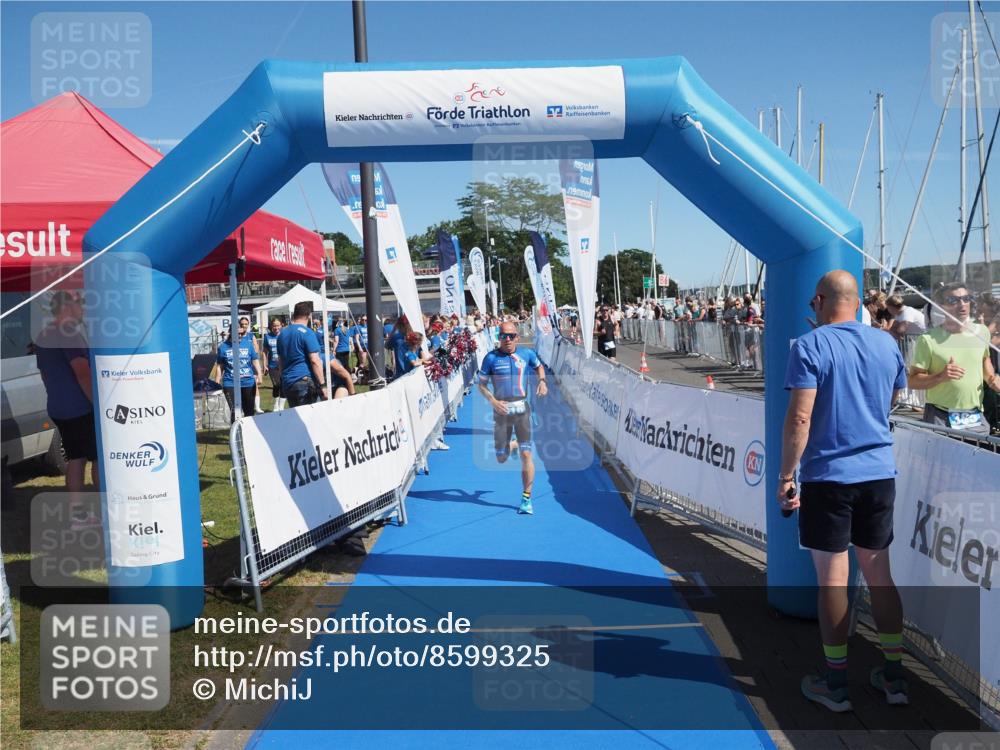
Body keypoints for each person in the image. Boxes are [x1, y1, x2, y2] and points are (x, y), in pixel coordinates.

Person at [778, 270, 908, 713]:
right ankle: (894, 678)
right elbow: (892, 400)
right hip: (878, 474)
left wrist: (785, 477)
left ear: (818, 301)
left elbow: (800, 419)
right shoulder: (887, 344)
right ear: (857, 303)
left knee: (832, 580)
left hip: (830, 478)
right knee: (879, 575)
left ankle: (836, 685)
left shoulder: (809, 345)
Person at [34, 291, 101, 530]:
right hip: (80, 407)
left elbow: (44, 374)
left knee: (76, 458)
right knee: (97, 459)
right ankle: (105, 511)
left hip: (59, 407)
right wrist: (98, 405)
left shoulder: (43, 335)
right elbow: (82, 372)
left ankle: (78, 515)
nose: (83, 308)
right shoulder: (68, 333)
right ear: (67, 307)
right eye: (79, 303)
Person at [908, 283, 1000, 435]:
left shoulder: (982, 332)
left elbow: (984, 360)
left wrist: (992, 378)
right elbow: (913, 381)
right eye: (953, 300)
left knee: (978, 458)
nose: (962, 304)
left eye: (966, 299)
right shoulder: (928, 339)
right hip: (940, 416)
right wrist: (941, 376)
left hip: (975, 415)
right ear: (942, 306)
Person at [478, 321, 548, 515]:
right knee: (501, 457)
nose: (507, 339)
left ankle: (526, 499)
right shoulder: (490, 358)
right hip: (501, 410)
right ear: (498, 337)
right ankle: (513, 445)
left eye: (510, 336)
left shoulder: (526, 354)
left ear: (517, 337)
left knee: (527, 455)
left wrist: (542, 381)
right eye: (503, 336)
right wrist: (492, 401)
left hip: (522, 409)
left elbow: (539, 367)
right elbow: (481, 385)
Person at [276, 301, 328, 407]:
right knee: (308, 419)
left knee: (296, 418)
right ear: (308, 316)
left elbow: (280, 361)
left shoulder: (282, 334)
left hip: (288, 382)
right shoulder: (307, 333)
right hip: (304, 381)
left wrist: (283, 379)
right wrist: (323, 385)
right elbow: (315, 360)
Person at [215, 317, 261, 421]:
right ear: (231, 332)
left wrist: (259, 375)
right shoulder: (223, 347)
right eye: (237, 333)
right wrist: (217, 380)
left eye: (241, 333)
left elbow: (255, 360)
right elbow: (220, 366)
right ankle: (235, 435)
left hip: (248, 382)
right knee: (235, 411)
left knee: (249, 411)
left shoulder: (248, 344)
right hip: (230, 382)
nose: (240, 335)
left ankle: (249, 434)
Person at [261, 318, 285, 411]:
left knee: (283, 384)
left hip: (284, 365)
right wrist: (265, 365)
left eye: (278, 325)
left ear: (281, 325)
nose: (276, 327)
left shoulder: (284, 335)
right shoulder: (267, 337)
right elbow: (264, 351)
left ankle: (281, 406)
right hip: (272, 365)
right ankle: (276, 404)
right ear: (271, 326)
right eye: (274, 326)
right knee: (277, 384)